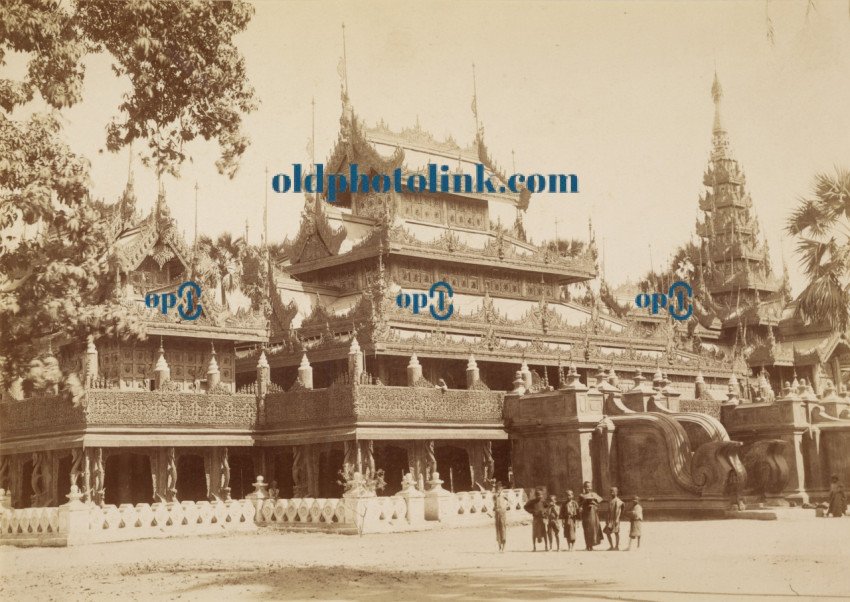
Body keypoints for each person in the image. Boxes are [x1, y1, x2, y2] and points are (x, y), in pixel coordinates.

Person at [578, 481, 603, 551]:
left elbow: (600, 500)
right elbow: (579, 504)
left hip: (593, 514)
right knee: (586, 530)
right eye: (586, 486)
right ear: (584, 487)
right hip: (585, 514)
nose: (588, 488)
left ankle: (591, 545)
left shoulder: (593, 494)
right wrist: (584, 501)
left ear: (591, 487)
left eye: (589, 486)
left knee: (592, 529)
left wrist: (594, 502)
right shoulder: (581, 495)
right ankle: (587, 545)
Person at [604, 486, 624, 550]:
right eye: (611, 492)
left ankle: (617, 546)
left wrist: (617, 519)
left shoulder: (618, 501)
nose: (612, 493)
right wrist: (607, 519)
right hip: (610, 520)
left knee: (616, 532)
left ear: (616, 492)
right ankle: (611, 546)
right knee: (607, 532)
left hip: (615, 520)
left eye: (613, 491)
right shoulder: (610, 501)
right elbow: (608, 511)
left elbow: (619, 511)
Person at [492, 481, 508, 552]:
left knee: (503, 529)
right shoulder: (495, 495)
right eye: (497, 488)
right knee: (498, 529)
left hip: (502, 513)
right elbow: (494, 499)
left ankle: (503, 546)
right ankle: (499, 546)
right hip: (497, 514)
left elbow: (509, 502)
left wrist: (506, 507)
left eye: (500, 488)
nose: (498, 490)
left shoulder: (503, 495)